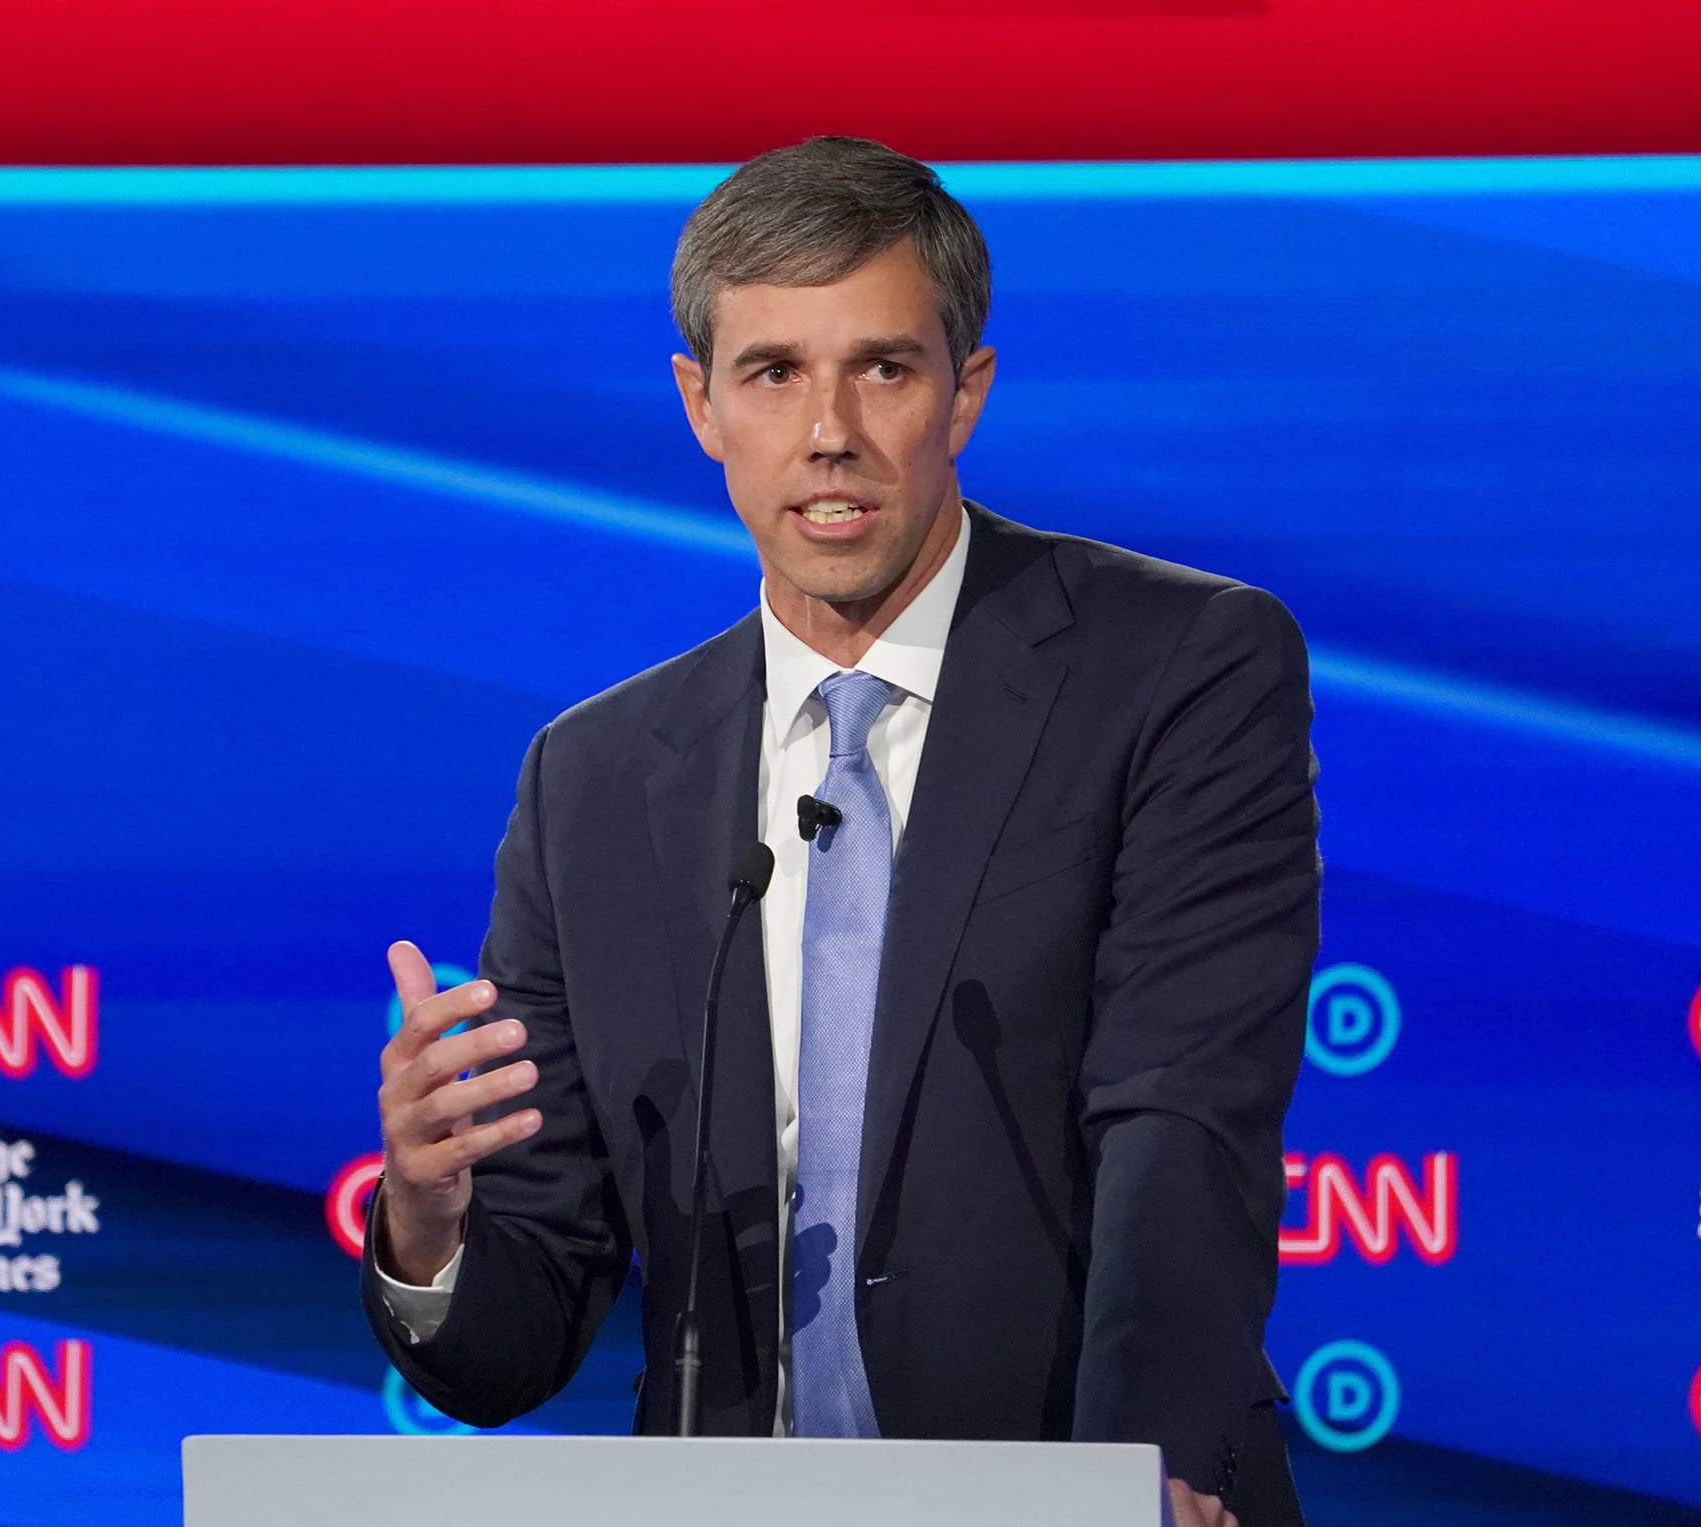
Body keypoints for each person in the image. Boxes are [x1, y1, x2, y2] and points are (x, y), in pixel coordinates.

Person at [363, 135, 1316, 1527]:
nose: (831, 433)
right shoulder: (595, 778)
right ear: (700, 405)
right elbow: (524, 1337)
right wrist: (430, 1226)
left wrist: (1138, 1482)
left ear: (965, 390)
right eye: (773, 373)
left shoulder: (1176, 670)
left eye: (883, 366)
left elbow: (1181, 1123)